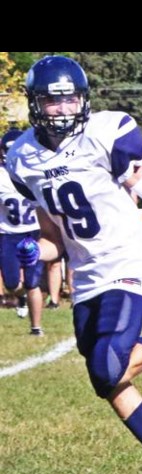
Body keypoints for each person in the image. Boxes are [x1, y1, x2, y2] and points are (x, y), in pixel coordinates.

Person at [6, 55, 142, 474]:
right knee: (108, 381)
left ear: (83, 101)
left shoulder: (107, 134)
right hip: (86, 277)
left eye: (70, 101)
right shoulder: (22, 156)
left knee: (107, 366)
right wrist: (32, 250)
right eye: (51, 101)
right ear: (35, 104)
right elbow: (55, 239)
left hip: (127, 263)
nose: (62, 110)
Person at [0, 127, 45, 334]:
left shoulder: (36, 170)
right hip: (8, 234)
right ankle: (21, 297)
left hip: (34, 232)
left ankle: (36, 327)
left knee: (32, 282)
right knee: (11, 282)